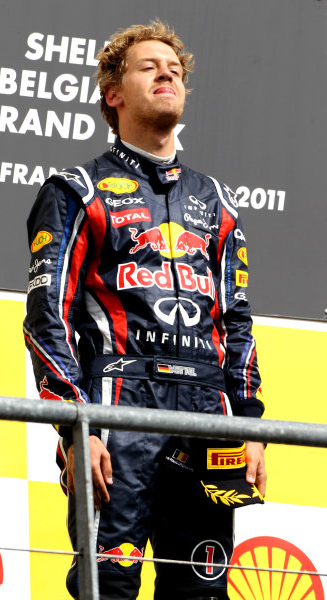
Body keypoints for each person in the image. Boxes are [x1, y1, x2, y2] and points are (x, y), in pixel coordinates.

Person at [23, 20, 266, 600]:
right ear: (113, 93)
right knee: (108, 584)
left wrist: (250, 424)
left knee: (202, 590)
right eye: (149, 67)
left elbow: (237, 321)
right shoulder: (75, 189)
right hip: (117, 408)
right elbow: (45, 316)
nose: (168, 74)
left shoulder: (217, 201)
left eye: (176, 70)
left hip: (209, 415)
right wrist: (77, 426)